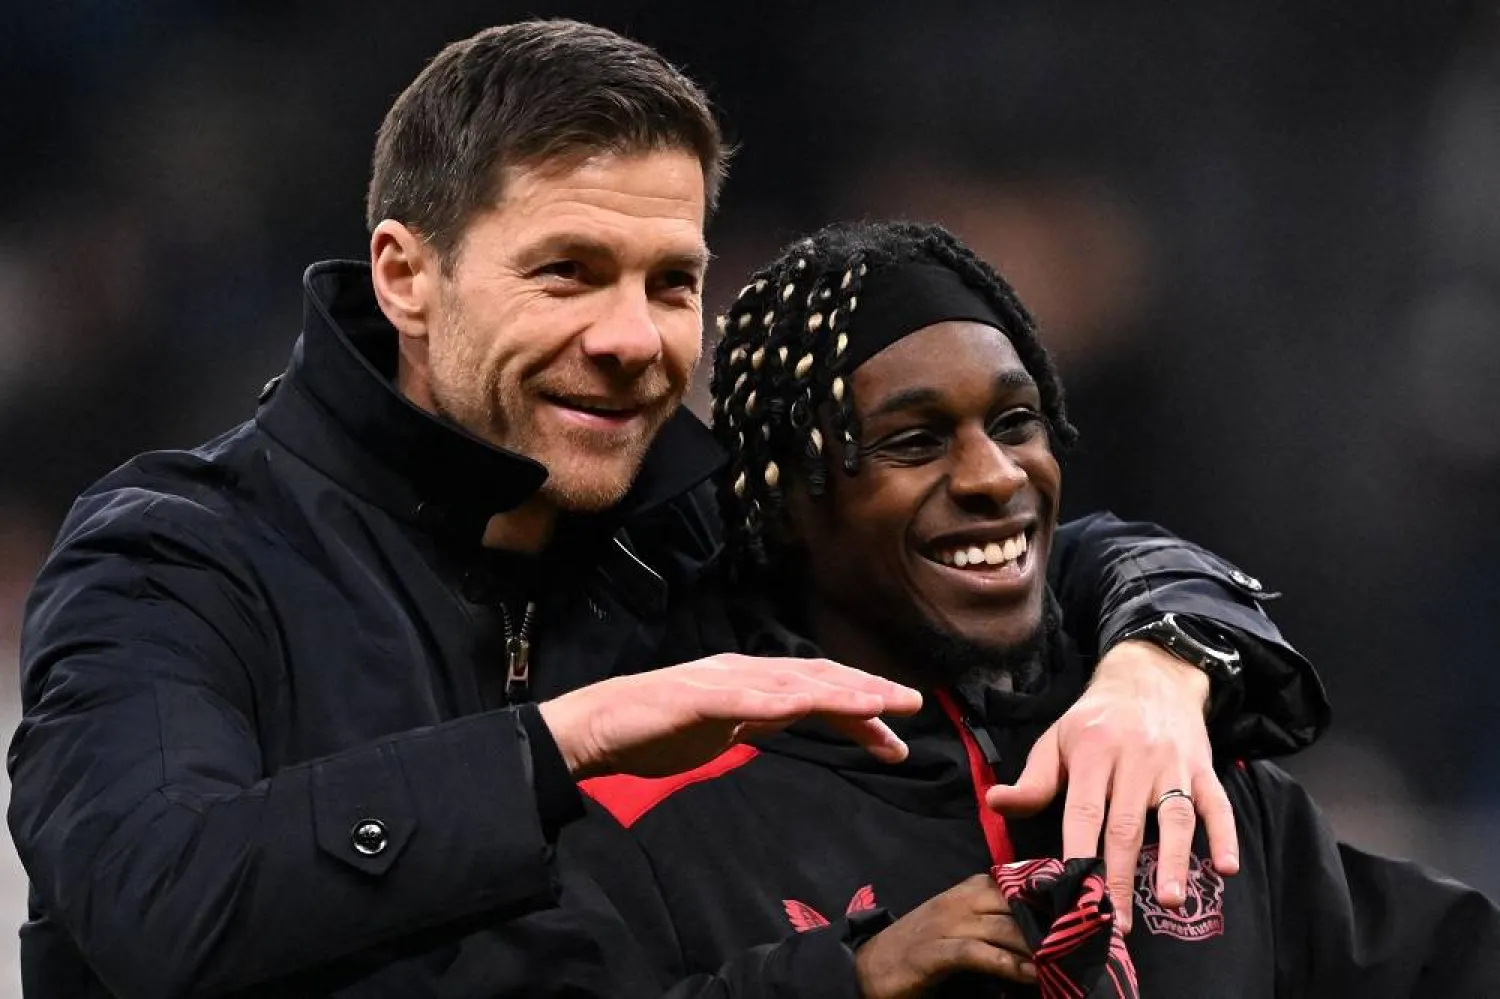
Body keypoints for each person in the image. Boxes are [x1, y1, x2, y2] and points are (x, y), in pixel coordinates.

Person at [8, 22, 1324, 999]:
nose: (634, 339)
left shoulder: (709, 532)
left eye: (670, 282)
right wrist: (557, 741)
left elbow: (1048, 549)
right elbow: (154, 902)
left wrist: (1160, 657)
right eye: (569, 273)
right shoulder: (180, 557)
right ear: (408, 274)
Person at [566, 220, 1500, 998]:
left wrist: (1159, 672)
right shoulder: (657, 819)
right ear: (789, 505)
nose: (994, 476)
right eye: (915, 440)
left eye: (1016, 422)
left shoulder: (1185, 772)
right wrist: (844, 978)